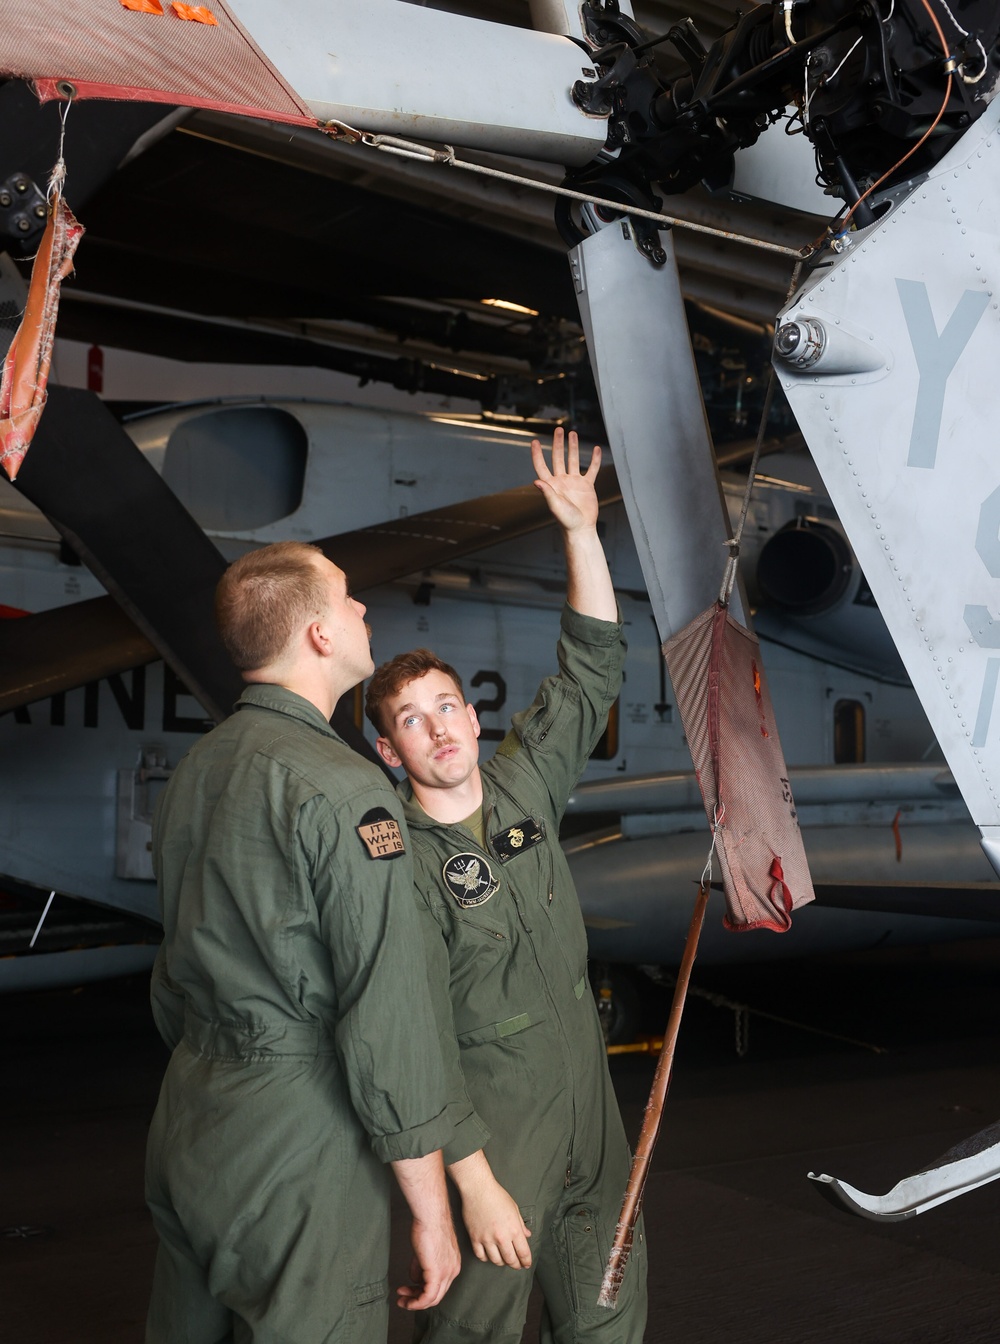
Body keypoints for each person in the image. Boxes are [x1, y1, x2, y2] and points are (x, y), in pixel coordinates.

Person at [145, 541, 473, 1343]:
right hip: (297, 1139)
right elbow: (385, 1013)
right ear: (322, 636)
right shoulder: (348, 788)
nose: (364, 612)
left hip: (192, 1117)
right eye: (350, 600)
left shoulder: (199, 769)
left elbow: (172, 974)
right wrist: (432, 1211)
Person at [365, 429, 648, 1342]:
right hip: (494, 1142)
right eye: (412, 720)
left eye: (447, 706)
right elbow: (410, 1038)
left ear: (474, 714)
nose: (438, 729)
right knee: (474, 1334)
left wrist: (579, 529)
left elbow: (591, 665)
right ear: (389, 751)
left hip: (592, 1127)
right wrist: (475, 1186)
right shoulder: (394, 863)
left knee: (608, 1317)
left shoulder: (525, 780)